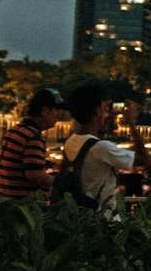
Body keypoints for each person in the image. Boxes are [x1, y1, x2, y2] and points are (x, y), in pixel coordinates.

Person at [57, 84, 136, 217]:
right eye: (105, 109)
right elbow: (145, 159)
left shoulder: (70, 142)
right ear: (97, 111)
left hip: (82, 217)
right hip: (105, 218)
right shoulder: (102, 148)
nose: (107, 115)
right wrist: (131, 123)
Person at [0, 88, 66, 200]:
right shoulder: (33, 137)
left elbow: (23, 162)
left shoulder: (15, 130)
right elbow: (34, 174)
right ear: (45, 111)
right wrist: (61, 183)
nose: (58, 115)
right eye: (56, 110)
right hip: (24, 206)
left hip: (7, 199)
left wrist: (50, 165)